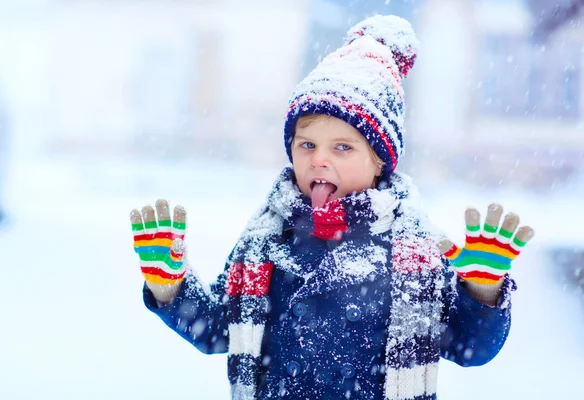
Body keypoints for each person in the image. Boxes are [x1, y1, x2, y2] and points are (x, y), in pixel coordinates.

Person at [129, 15, 535, 400]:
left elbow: (468, 346)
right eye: (307, 145)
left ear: (380, 162)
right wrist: (172, 289)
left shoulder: (414, 247)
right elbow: (220, 328)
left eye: (342, 147)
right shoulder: (267, 237)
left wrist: (482, 292)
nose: (319, 159)